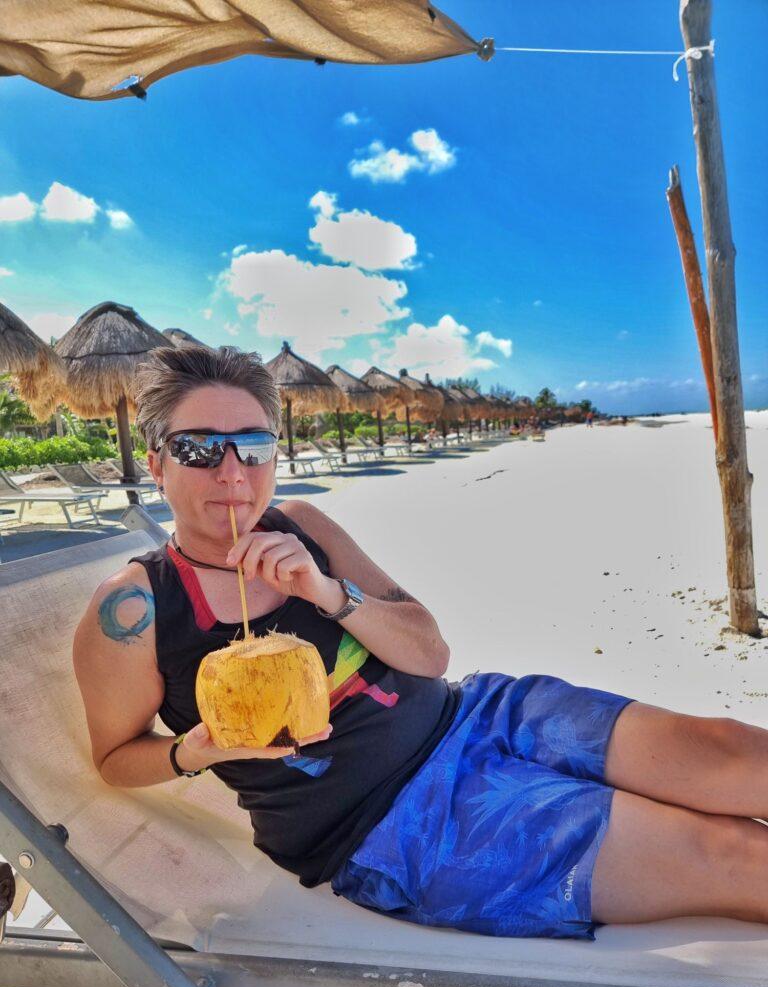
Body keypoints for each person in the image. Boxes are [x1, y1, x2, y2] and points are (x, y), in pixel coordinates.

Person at [74, 346, 768, 942]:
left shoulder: (304, 525)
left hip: (476, 713)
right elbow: (113, 758)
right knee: (730, 852)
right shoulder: (134, 612)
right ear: (157, 462)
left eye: (254, 447)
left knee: (733, 752)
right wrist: (189, 751)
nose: (233, 474)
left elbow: (430, 654)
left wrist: (327, 592)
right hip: (394, 827)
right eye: (201, 449)